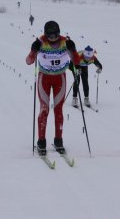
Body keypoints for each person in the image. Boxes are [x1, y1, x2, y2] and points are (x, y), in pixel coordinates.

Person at [26, 21, 80, 155]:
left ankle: (58, 141)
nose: (53, 39)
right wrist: (33, 50)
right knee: (44, 110)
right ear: (46, 34)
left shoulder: (64, 42)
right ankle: (41, 142)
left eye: (55, 36)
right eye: (50, 37)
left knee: (58, 110)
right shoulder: (41, 42)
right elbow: (29, 61)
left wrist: (73, 50)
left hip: (59, 79)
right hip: (44, 79)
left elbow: (77, 63)